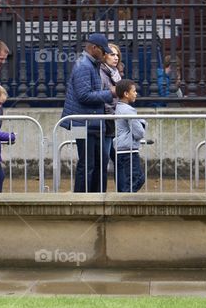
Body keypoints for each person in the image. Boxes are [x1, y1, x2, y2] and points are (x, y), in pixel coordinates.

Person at [60, 33, 114, 193]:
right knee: (88, 164)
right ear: (93, 48)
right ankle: (82, 200)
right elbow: (84, 95)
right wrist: (110, 93)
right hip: (83, 122)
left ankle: (96, 197)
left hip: (89, 122)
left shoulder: (91, 64)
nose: (105, 54)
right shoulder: (84, 65)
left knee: (97, 162)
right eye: (103, 51)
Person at [114, 79, 146, 193]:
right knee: (138, 178)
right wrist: (143, 124)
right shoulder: (128, 110)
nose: (136, 93)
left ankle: (124, 198)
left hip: (122, 148)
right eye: (134, 91)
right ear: (126, 94)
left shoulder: (119, 107)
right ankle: (124, 199)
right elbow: (139, 132)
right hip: (129, 149)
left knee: (129, 180)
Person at [100, 43, 122, 184]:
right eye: (112, 54)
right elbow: (103, 96)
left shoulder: (115, 72)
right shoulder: (102, 72)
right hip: (108, 119)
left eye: (117, 55)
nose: (116, 58)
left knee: (119, 158)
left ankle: (122, 191)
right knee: (105, 157)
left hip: (116, 118)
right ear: (104, 56)